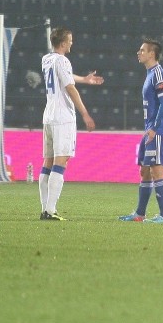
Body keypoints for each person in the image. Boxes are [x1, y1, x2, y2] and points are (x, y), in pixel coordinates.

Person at [39, 27, 103, 220]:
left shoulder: (47, 59)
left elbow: (64, 76)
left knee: (47, 162)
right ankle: (51, 211)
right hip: (62, 117)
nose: (72, 43)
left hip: (48, 116)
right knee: (61, 161)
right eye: (70, 40)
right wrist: (85, 114)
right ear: (63, 43)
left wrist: (84, 79)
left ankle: (45, 209)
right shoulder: (64, 60)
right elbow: (70, 88)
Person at [119, 38, 163, 224]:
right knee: (144, 170)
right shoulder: (150, 73)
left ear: (152, 54)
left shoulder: (158, 74)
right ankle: (139, 214)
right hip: (150, 129)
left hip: (157, 130)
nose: (139, 52)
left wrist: (155, 127)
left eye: (142, 50)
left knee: (157, 171)